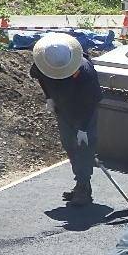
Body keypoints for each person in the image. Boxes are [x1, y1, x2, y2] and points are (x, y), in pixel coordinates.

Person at [30, 33, 102, 205]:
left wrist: (83, 128)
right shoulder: (45, 62)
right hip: (63, 108)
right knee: (69, 144)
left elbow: (90, 101)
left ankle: (84, 189)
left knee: (84, 147)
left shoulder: (85, 71)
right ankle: (80, 183)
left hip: (84, 111)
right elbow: (39, 77)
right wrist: (49, 97)